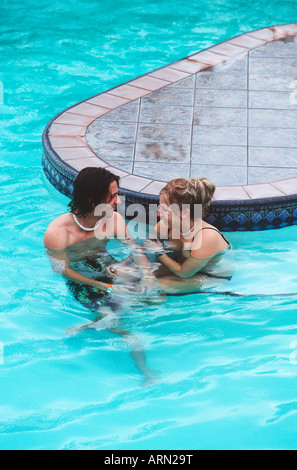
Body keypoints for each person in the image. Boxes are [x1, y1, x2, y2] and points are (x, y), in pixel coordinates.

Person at [44, 167, 157, 386]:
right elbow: (62, 270)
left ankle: (94, 323)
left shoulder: (112, 219)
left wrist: (148, 275)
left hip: (106, 267)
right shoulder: (57, 232)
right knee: (129, 333)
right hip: (82, 280)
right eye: (112, 196)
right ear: (93, 200)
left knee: (155, 288)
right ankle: (145, 373)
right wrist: (107, 288)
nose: (119, 201)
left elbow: (133, 249)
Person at [108, 177, 233, 295]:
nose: (158, 213)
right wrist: (122, 263)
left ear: (184, 213)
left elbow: (184, 272)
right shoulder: (164, 226)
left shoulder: (206, 237)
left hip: (208, 275)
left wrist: (159, 254)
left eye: (164, 209)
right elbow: (144, 248)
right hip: (175, 265)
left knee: (151, 287)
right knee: (120, 273)